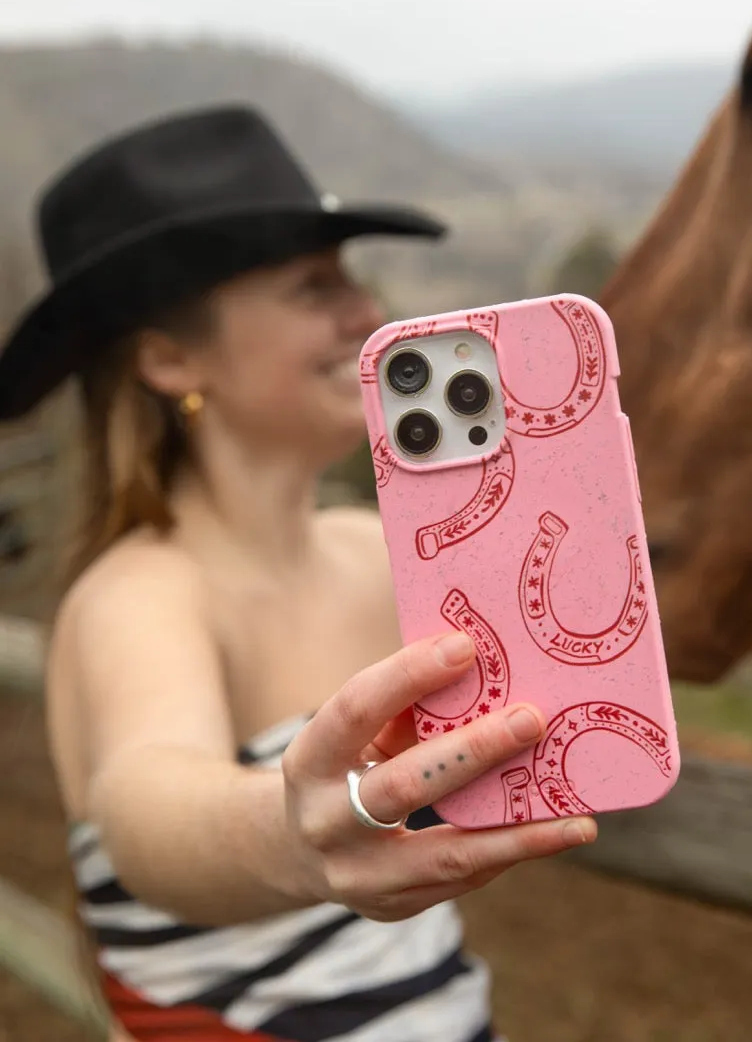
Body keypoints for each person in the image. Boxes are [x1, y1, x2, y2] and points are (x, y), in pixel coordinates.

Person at [0, 106, 597, 1042]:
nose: (366, 314)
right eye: (314, 286)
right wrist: (293, 838)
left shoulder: (378, 550)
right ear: (168, 356)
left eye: (352, 277)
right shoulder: (140, 597)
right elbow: (147, 802)